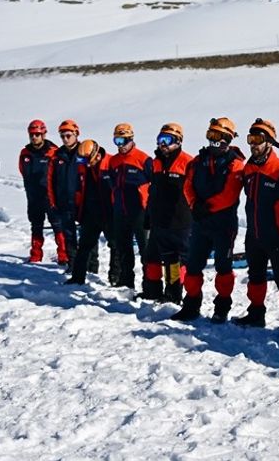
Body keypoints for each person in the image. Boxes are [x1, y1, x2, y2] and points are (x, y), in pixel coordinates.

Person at [235, 118, 279, 333]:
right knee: (255, 277)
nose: (253, 144)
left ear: (270, 142)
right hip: (255, 235)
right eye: (250, 139)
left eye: (258, 139)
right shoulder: (248, 168)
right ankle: (256, 313)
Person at [175, 118, 246, 322]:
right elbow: (187, 185)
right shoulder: (198, 161)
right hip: (200, 222)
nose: (213, 141)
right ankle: (191, 304)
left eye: (217, 136)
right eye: (210, 136)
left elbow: (230, 194)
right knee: (193, 265)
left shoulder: (236, 164)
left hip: (223, 225)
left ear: (227, 139)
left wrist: (205, 207)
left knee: (223, 267)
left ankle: (222, 308)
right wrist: (194, 205)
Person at [140, 123, 193, 303]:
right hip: (158, 220)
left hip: (178, 222)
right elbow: (152, 191)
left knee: (173, 261)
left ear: (178, 141)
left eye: (167, 140)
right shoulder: (156, 162)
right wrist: (148, 215)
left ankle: (173, 294)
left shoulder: (187, 162)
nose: (162, 144)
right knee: (151, 257)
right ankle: (151, 291)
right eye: (160, 139)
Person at [64, 140, 121, 285]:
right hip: (90, 213)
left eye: (87, 159)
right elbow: (78, 190)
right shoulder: (83, 168)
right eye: (82, 159)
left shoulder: (111, 164)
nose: (85, 162)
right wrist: (78, 210)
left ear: (96, 154)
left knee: (115, 246)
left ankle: (115, 277)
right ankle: (78, 277)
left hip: (110, 214)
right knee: (84, 246)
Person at [105, 123, 151, 289]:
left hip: (139, 211)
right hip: (120, 210)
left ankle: (149, 284)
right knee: (123, 247)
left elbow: (154, 183)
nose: (120, 145)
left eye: (123, 140)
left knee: (145, 249)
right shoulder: (114, 161)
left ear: (131, 139)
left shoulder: (143, 159)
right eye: (117, 140)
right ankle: (126, 280)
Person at [19, 119, 59, 263]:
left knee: (57, 224)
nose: (34, 137)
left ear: (43, 134)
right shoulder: (25, 153)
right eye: (32, 134)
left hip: (50, 196)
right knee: (36, 225)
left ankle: (64, 255)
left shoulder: (53, 152)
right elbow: (22, 170)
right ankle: (36, 255)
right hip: (33, 196)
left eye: (37, 134)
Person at [46, 119, 82, 270]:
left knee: (88, 237)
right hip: (64, 202)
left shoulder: (85, 152)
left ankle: (91, 267)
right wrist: (53, 202)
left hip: (83, 203)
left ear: (76, 134)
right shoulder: (57, 156)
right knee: (68, 236)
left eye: (68, 135)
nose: (65, 139)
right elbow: (50, 180)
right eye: (62, 136)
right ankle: (73, 265)